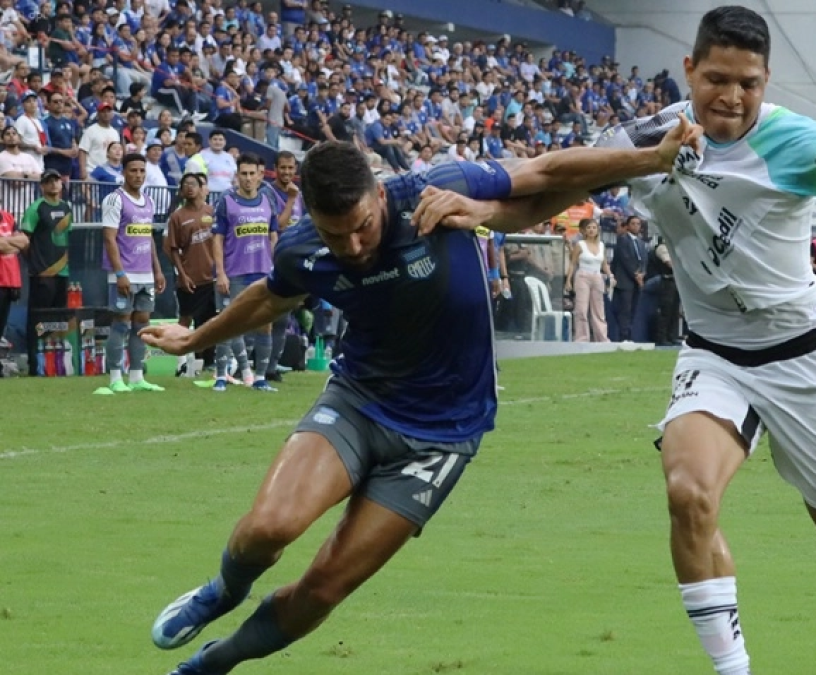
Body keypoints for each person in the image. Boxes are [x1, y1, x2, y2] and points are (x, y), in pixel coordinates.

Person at [411, 8, 816, 674]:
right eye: (717, 78)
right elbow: (552, 181)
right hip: (714, 353)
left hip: (800, 357)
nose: (732, 96)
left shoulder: (800, 142)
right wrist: (484, 212)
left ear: (767, 80)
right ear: (689, 70)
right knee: (689, 492)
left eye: (748, 83)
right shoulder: (647, 140)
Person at [139, 126, 702, 675]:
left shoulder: (433, 192)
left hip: (443, 434)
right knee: (269, 527)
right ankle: (223, 590)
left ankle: (216, 662)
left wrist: (655, 158)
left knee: (324, 587)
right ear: (312, 219)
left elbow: (546, 172)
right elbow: (269, 299)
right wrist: (195, 339)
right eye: (337, 236)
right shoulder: (302, 249)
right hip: (359, 402)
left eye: (362, 226)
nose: (354, 246)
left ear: (379, 195)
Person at [97, 153, 167, 394]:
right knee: (120, 323)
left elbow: (148, 237)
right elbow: (109, 238)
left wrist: (157, 270)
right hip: (124, 273)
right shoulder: (114, 200)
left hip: (145, 274)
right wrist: (119, 273)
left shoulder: (148, 201)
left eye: (141, 171)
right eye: (133, 170)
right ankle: (115, 377)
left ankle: (136, 376)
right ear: (124, 173)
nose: (138, 175)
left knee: (142, 324)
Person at [211, 153, 278, 391]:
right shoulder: (226, 201)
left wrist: (276, 267)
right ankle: (220, 376)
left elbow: (273, 236)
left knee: (265, 324)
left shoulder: (268, 200)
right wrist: (220, 272)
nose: (248, 179)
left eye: (252, 174)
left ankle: (260, 377)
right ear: (237, 175)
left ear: (260, 175)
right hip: (235, 272)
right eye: (244, 174)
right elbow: (217, 239)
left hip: (262, 272)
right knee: (228, 323)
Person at [163, 172, 216, 375]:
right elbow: (172, 248)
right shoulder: (177, 216)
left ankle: (206, 362)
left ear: (202, 187)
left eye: (193, 184)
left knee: (210, 321)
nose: (190, 188)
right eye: (186, 185)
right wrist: (182, 274)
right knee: (185, 318)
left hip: (210, 277)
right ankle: (181, 362)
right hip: (190, 278)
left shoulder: (211, 212)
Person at [21, 170, 72, 363]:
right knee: (38, 318)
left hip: (62, 272)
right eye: (48, 182)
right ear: (42, 186)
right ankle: (35, 362)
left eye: (56, 181)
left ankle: (57, 362)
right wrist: (36, 263)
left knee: (59, 318)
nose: (53, 185)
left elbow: (66, 238)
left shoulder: (67, 207)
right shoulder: (36, 208)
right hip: (42, 273)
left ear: (61, 184)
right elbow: (25, 239)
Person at [262, 151, 304, 381]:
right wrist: (289, 200)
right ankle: (255, 363)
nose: (287, 172)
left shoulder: (299, 195)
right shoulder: (268, 193)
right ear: (275, 169)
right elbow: (276, 225)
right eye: (283, 168)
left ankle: (272, 366)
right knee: (266, 316)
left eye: (291, 168)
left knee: (283, 317)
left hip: (292, 261)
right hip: (271, 259)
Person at [564, 217, 611, 342]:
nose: (591, 230)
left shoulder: (601, 245)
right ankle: (582, 337)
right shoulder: (580, 245)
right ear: (584, 231)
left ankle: (602, 338)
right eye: (589, 228)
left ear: (598, 230)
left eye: (594, 228)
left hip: (597, 276)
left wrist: (610, 275)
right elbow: (573, 263)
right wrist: (568, 280)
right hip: (583, 275)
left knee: (598, 310)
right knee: (581, 309)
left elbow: (604, 264)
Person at [611, 214, 646, 341]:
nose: (636, 226)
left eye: (638, 224)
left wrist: (642, 273)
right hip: (625, 281)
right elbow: (626, 259)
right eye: (633, 224)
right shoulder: (623, 240)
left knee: (633, 310)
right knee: (624, 310)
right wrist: (635, 275)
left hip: (637, 282)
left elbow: (643, 260)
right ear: (627, 226)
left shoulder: (641, 242)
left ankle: (630, 335)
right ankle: (623, 336)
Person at [0, 204, 26, 344]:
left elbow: (23, 242)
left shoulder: (8, 217)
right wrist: (13, 243)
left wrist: (6, 242)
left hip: (10, 280)